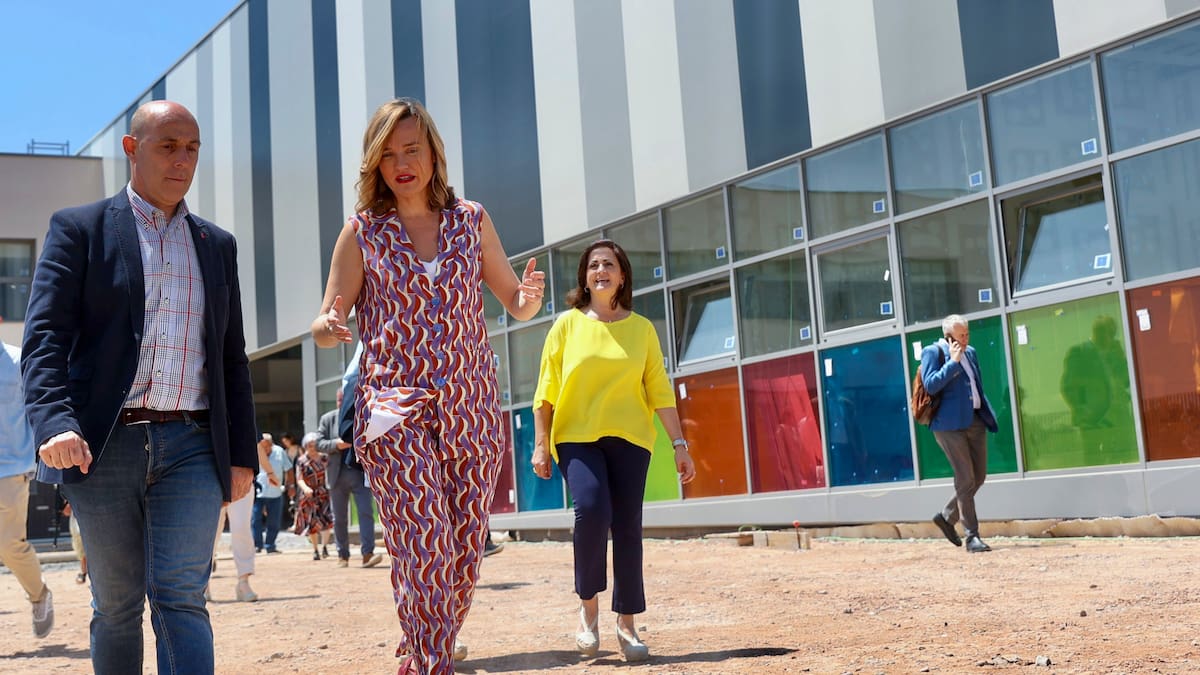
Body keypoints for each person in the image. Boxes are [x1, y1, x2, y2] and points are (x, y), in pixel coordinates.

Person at [21, 100, 258, 673]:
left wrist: (242, 453)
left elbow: (231, 357)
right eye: (168, 146)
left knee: (181, 597)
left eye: (193, 148)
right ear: (132, 149)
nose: (183, 160)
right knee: (118, 606)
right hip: (103, 449)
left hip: (193, 445)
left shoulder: (216, 245)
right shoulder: (79, 230)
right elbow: (45, 337)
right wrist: (55, 423)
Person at [312, 97, 545, 674]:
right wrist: (329, 326)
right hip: (395, 408)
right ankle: (428, 661)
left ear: (433, 152)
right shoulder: (362, 233)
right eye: (387, 154)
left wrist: (527, 300)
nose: (401, 163)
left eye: (411, 149)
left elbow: (511, 299)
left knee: (464, 546)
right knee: (425, 540)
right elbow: (324, 320)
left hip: (472, 406)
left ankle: (424, 633)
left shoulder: (471, 220)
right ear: (375, 164)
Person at [531, 240, 696, 663]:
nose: (600, 270)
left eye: (608, 264)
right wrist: (540, 445)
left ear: (622, 275)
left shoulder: (641, 329)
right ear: (585, 278)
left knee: (627, 526)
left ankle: (627, 624)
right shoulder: (566, 326)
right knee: (590, 509)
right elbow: (546, 391)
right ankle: (588, 610)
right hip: (576, 436)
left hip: (631, 438)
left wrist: (680, 445)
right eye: (593, 265)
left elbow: (659, 390)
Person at [921, 314, 999, 554]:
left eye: (967, 333)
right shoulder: (933, 352)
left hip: (974, 420)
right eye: (961, 335)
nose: (965, 339)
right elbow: (930, 384)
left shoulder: (972, 352)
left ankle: (946, 517)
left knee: (979, 476)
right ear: (948, 336)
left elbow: (977, 383)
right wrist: (953, 363)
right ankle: (972, 537)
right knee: (965, 479)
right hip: (948, 426)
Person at [0, 341, 54, 638]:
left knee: (9, 546)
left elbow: (38, 409)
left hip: (8, 469)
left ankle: (39, 595)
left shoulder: (20, 359)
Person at [318, 388, 382, 569]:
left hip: (359, 473)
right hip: (336, 475)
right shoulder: (327, 419)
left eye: (345, 399)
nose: (341, 402)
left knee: (366, 513)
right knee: (339, 518)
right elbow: (318, 443)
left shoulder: (362, 415)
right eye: (339, 399)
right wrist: (336, 444)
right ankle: (342, 555)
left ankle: (367, 554)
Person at [294, 432, 334, 560]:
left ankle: (325, 547)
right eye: (309, 445)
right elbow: (299, 478)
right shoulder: (301, 461)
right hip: (309, 495)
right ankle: (315, 550)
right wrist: (306, 488)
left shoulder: (325, 458)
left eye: (314, 445)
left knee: (326, 520)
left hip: (324, 492)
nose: (312, 447)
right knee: (311, 523)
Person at [252, 434, 292, 554]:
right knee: (255, 520)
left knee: (273, 521)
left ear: (271, 444)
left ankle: (270, 546)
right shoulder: (255, 451)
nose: (264, 449)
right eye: (262, 447)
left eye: (266, 447)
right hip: (258, 493)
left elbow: (288, 469)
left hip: (276, 493)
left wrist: (291, 485)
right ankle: (257, 545)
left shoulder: (280, 452)